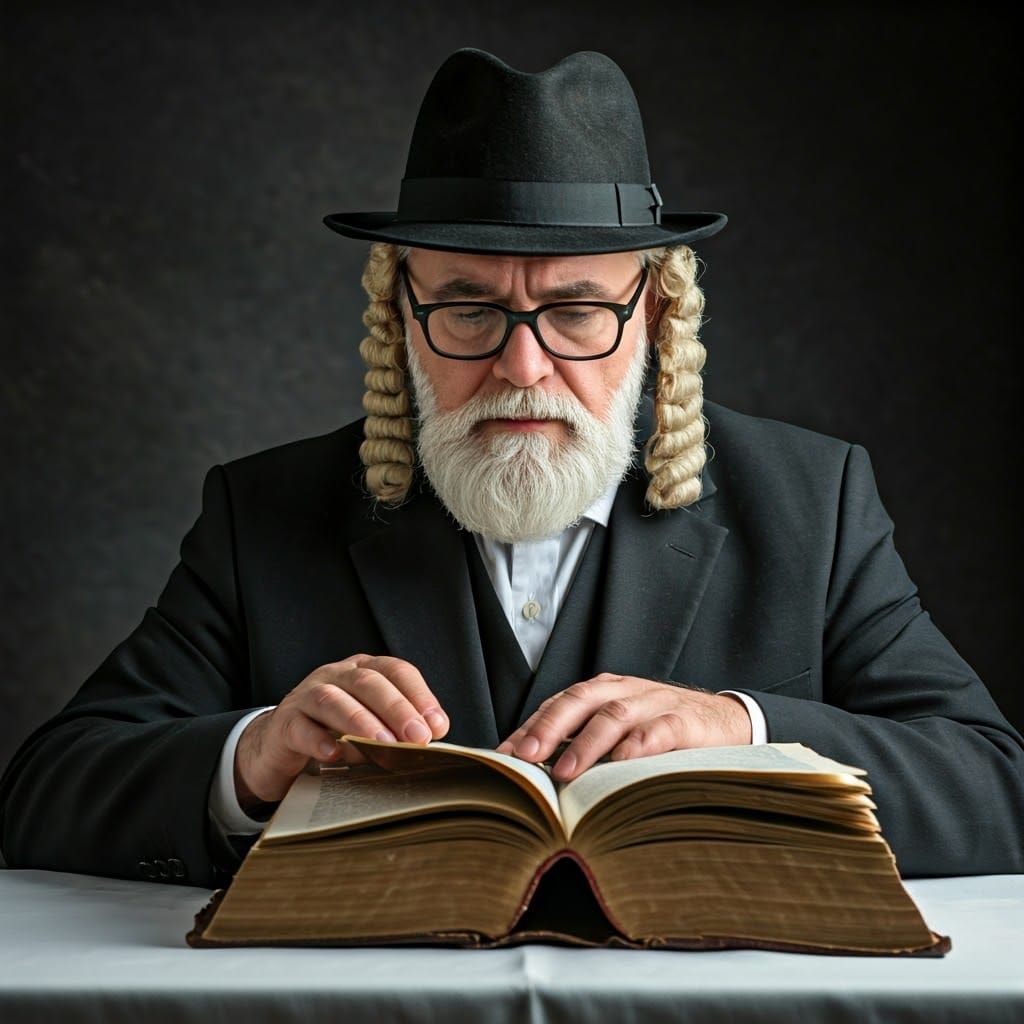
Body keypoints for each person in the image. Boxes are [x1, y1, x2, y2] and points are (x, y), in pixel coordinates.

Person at [1, 48, 1021, 890]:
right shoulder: (263, 512)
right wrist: (255, 754)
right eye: (468, 308)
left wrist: (740, 728)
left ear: (656, 317)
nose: (521, 366)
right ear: (400, 317)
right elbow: (46, 790)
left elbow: (996, 786)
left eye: (576, 311)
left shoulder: (812, 503)